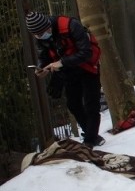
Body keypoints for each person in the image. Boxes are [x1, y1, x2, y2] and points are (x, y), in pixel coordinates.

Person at [26, 11, 104, 148]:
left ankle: (90, 141)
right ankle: (92, 135)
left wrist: (61, 63)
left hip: (88, 66)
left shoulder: (71, 25)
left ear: (49, 25)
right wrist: (41, 68)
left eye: (45, 32)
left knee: (91, 104)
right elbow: (43, 55)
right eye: (38, 35)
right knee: (73, 104)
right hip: (70, 70)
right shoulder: (40, 38)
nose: (43, 36)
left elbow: (86, 52)